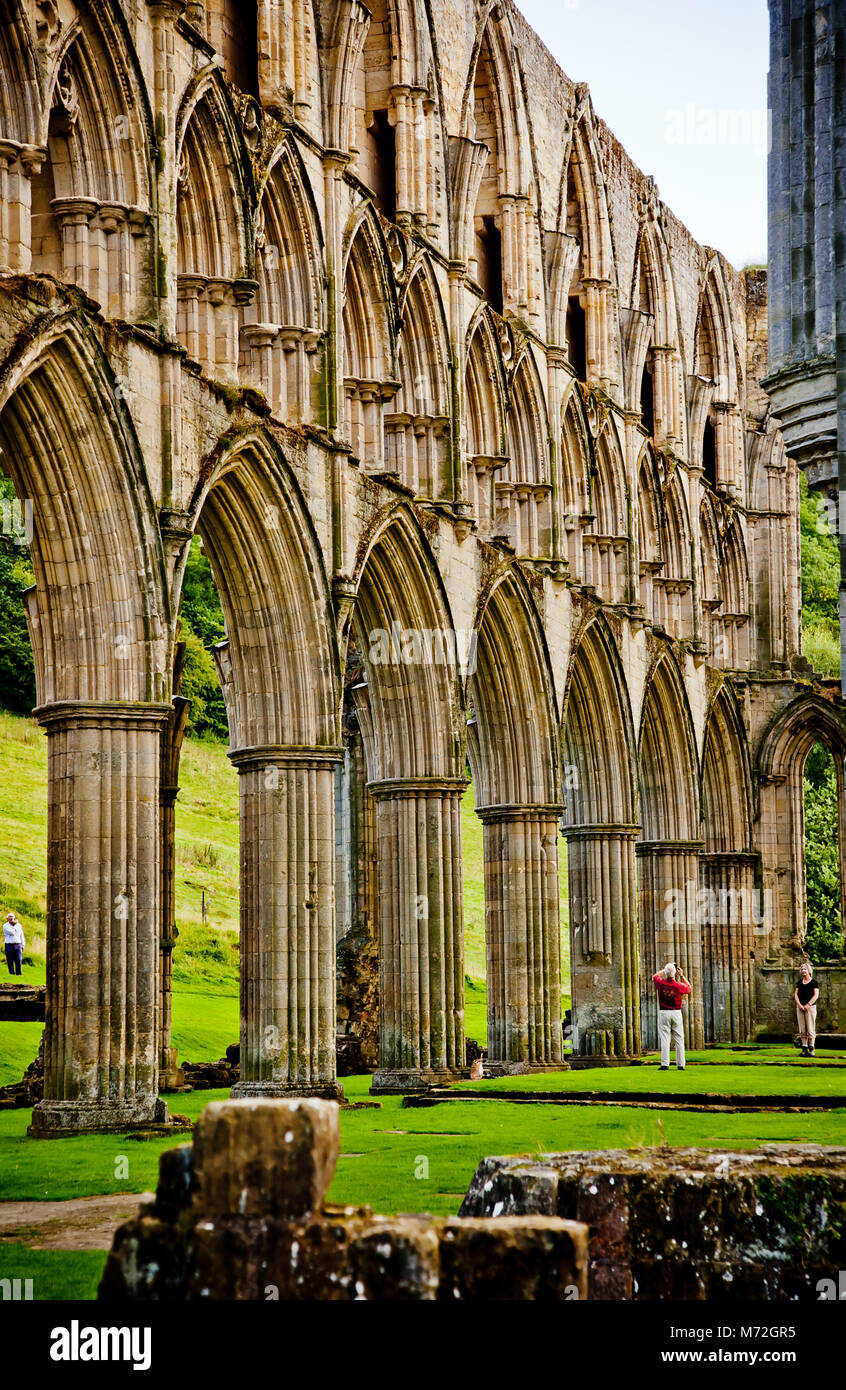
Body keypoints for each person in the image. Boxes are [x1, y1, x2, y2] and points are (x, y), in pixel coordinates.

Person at [652, 962, 691, 1071]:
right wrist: (682, 975)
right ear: (674, 973)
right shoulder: (678, 985)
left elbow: (655, 976)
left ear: (666, 973)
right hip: (676, 1013)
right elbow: (689, 987)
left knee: (665, 1038)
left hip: (664, 1012)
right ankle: (681, 1064)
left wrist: (664, 971)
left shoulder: (660, 983)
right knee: (679, 1038)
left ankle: (665, 1064)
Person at [794, 961, 820, 1057]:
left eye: (804, 969)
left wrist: (808, 1004)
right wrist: (799, 1005)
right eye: (802, 969)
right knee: (802, 1028)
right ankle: (804, 1049)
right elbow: (796, 994)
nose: (803, 971)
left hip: (810, 1007)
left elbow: (816, 995)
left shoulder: (814, 982)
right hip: (800, 1008)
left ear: (809, 970)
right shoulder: (800, 982)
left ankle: (812, 1049)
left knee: (810, 1028)